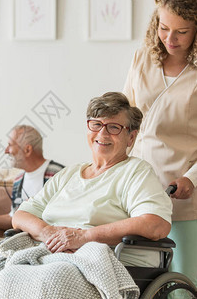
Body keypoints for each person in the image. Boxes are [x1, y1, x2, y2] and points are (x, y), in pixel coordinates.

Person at [123, 0, 197, 290]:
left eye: (182, 32)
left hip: (188, 194)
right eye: (164, 28)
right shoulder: (142, 59)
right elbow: (126, 118)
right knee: (141, 284)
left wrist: (192, 177)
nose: (170, 39)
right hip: (141, 191)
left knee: (181, 286)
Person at [13, 92, 172, 267]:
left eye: (113, 127)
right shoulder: (68, 174)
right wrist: (48, 233)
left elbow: (156, 224)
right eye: (96, 125)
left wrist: (84, 237)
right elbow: (21, 215)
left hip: (103, 261)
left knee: (49, 279)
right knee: (4, 277)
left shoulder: (136, 172)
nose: (102, 133)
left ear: (131, 137)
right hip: (51, 256)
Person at [0, 125, 64, 263]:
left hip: (48, 240)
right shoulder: (19, 180)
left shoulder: (57, 174)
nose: (6, 151)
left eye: (10, 145)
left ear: (27, 149)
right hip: (21, 239)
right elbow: (14, 217)